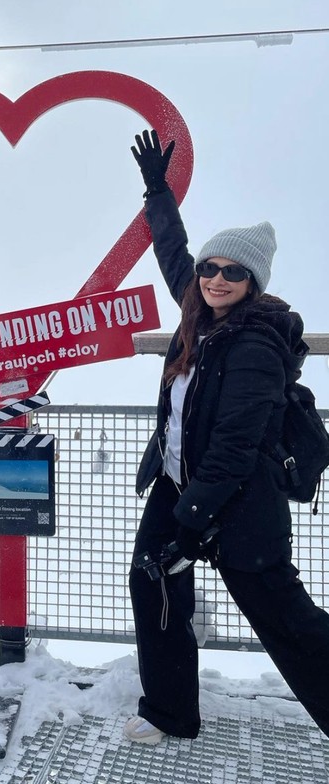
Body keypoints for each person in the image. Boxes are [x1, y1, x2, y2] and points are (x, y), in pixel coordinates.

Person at [124, 130, 329, 745]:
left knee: (283, 618)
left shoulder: (258, 343)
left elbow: (236, 446)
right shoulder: (199, 317)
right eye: (211, 268)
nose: (214, 279)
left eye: (231, 272)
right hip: (181, 485)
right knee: (153, 579)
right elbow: (174, 257)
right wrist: (158, 193)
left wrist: (192, 522)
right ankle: (169, 712)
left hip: (240, 502)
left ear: (253, 281)